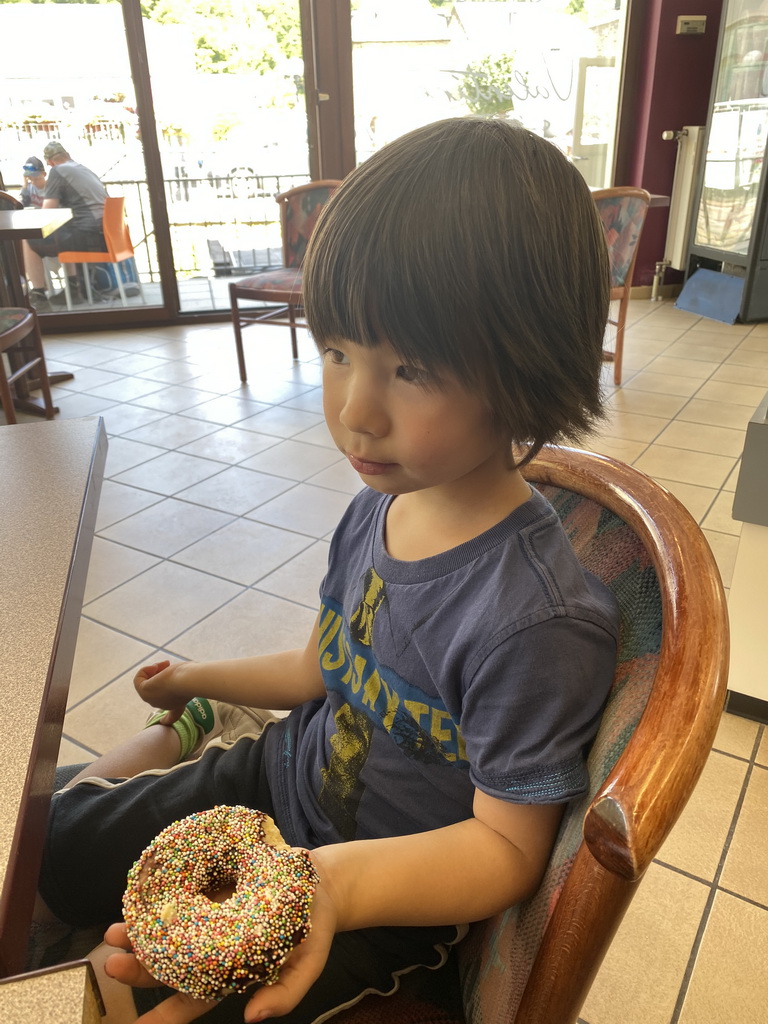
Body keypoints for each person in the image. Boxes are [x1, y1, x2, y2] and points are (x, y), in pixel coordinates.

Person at [36, 117, 619, 1024]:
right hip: (274, 783)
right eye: (338, 351)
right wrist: (193, 677)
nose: (353, 409)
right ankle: (193, 731)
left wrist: (336, 887)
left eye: (411, 368)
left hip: (383, 901)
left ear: (528, 371)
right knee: (53, 845)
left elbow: (505, 846)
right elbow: (319, 669)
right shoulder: (375, 511)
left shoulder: (537, 622)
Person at [22, 140, 108, 312]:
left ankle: (38, 294)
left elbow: (48, 210)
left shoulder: (58, 170)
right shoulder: (85, 169)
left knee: (27, 240)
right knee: (64, 233)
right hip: (104, 235)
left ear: (49, 162)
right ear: (67, 155)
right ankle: (73, 287)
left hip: (87, 237)